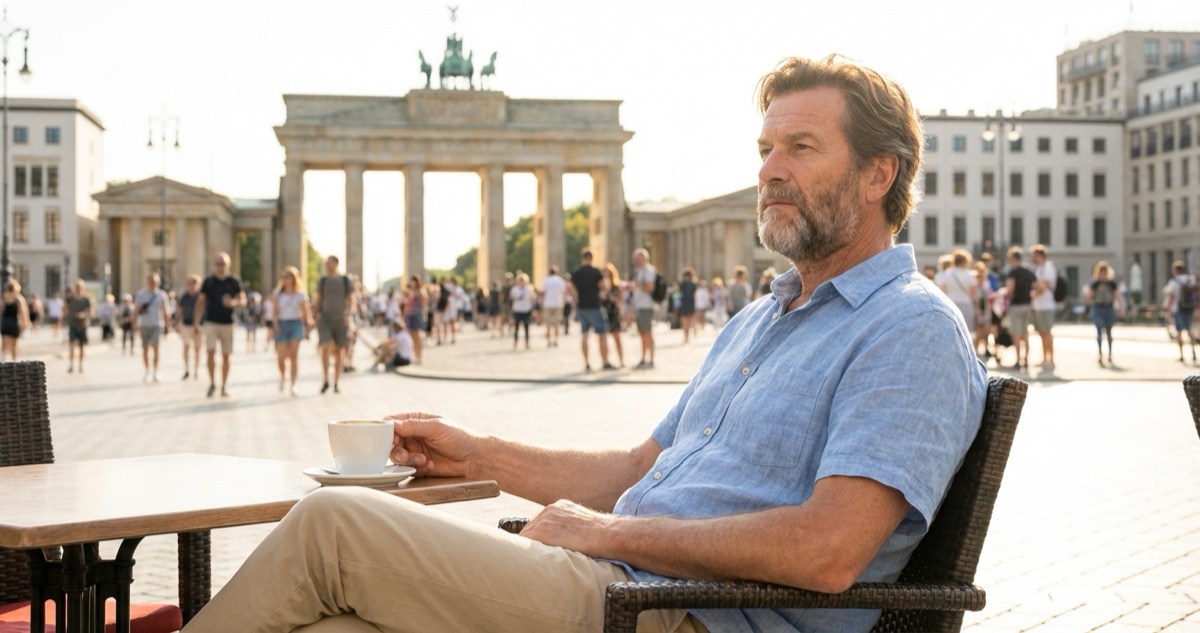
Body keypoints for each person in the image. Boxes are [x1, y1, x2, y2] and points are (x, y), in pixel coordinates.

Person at [183, 55, 986, 633]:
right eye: (764, 150)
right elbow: (635, 470)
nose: (770, 170)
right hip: (618, 584)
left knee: (333, 527)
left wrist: (607, 533)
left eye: (800, 148)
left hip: (678, 613)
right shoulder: (762, 318)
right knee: (332, 625)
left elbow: (828, 550)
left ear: (879, 174)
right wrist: (475, 454)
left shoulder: (907, 327)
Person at [195, 252, 246, 398]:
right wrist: (196, 322)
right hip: (211, 321)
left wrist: (233, 303)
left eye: (223, 263)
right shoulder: (209, 281)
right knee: (210, 351)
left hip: (227, 322)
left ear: (228, 264)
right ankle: (212, 383)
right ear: (214, 264)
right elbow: (200, 302)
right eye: (218, 263)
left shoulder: (234, 281)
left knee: (226, 356)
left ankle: (224, 385)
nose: (220, 266)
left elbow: (243, 300)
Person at [313, 255, 356, 394]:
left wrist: (349, 314)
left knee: (340, 350)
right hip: (325, 318)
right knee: (324, 346)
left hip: (341, 318)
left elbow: (352, 298)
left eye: (329, 263)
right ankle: (326, 378)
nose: (327, 265)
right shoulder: (323, 280)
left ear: (336, 264)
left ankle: (337, 380)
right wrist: (315, 316)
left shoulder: (345, 280)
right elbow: (318, 299)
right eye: (326, 263)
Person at [269, 266, 312, 396]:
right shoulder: (277, 294)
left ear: (294, 278)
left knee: (294, 356)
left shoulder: (300, 294)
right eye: (284, 277)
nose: (286, 279)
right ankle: (283, 377)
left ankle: (293, 384)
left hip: (295, 323)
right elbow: (274, 311)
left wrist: (307, 327)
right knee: (281, 356)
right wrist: (275, 325)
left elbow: (306, 312)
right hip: (281, 323)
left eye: (289, 277)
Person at [570, 249, 612, 372]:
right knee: (602, 334)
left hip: (582, 307)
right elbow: (604, 286)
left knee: (584, 335)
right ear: (592, 258)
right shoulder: (596, 271)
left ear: (582, 258)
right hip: (595, 306)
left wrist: (576, 300)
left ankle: (587, 363)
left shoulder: (576, 272)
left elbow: (571, 289)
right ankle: (605, 362)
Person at [134, 273, 171, 382]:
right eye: (150, 281)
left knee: (156, 348)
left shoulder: (161, 295)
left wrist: (168, 325)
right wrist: (134, 323)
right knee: (145, 349)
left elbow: (166, 310)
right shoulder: (141, 294)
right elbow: (136, 309)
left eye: (154, 281)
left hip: (157, 324)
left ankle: (155, 371)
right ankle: (147, 371)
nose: (152, 283)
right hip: (144, 324)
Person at [1004, 247, 1036, 371]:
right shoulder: (1029, 271)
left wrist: (1005, 296)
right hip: (1027, 305)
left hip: (1016, 305)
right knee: (1025, 334)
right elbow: (1037, 285)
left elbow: (1009, 290)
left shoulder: (1013, 272)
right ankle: (1026, 360)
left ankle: (1018, 361)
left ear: (1013, 258)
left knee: (1016, 334)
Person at [1087, 260, 1121, 366]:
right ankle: (1100, 354)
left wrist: (1120, 308)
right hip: (1098, 308)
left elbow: (1117, 295)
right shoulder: (1095, 283)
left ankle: (1110, 354)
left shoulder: (1111, 283)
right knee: (1099, 331)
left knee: (1109, 332)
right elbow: (1089, 295)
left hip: (1108, 308)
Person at [1029, 244, 1057, 370]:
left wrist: (1031, 295)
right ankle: (1045, 358)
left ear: (1040, 256)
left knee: (1047, 332)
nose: (1032, 258)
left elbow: (1043, 286)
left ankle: (1050, 359)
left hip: (1046, 305)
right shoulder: (1039, 269)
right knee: (1041, 333)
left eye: (1034, 256)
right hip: (1038, 305)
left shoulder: (1048, 268)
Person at [1167, 260, 1198, 363]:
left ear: (1175, 271)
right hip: (1189, 308)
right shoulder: (1190, 279)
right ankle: (1193, 352)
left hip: (1178, 309)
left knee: (1179, 331)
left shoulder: (1174, 281)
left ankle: (1181, 355)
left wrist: (1168, 311)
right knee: (1189, 330)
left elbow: (1171, 298)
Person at [938, 249, 977, 329]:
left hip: (951, 303)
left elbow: (942, 289)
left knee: (953, 327)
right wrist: (976, 305)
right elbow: (973, 293)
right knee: (967, 328)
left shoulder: (948, 273)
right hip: (966, 303)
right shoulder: (969, 274)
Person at [631, 247, 657, 369]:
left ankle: (651, 359)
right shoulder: (640, 270)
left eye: (638, 259)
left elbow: (650, 288)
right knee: (642, 333)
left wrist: (637, 285)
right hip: (640, 306)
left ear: (644, 258)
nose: (636, 261)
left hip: (646, 305)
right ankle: (643, 359)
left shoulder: (648, 270)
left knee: (648, 333)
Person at [176, 275, 203, 380]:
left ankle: (196, 369)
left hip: (198, 326)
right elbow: (180, 310)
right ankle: (187, 369)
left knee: (197, 348)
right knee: (186, 346)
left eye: (193, 284)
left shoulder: (200, 296)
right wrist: (178, 322)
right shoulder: (184, 297)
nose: (191, 286)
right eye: (190, 284)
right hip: (186, 325)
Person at [65, 279, 92, 374]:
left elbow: (90, 312)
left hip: (82, 325)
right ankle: (71, 365)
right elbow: (65, 309)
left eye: (80, 287)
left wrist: (83, 315)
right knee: (71, 345)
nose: (78, 289)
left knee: (81, 347)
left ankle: (80, 365)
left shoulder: (86, 300)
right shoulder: (70, 299)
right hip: (72, 324)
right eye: (77, 287)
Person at [602, 263, 626, 368]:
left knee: (617, 338)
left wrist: (613, 298)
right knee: (603, 338)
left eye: (608, 273)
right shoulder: (601, 286)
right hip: (604, 313)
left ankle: (621, 361)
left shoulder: (616, 286)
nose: (606, 275)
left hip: (614, 313)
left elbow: (620, 300)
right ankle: (605, 361)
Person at [1, 279, 30, 361]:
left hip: (5, 322)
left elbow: (1, 311)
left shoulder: (4, 298)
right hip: (14, 323)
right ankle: (13, 361)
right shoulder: (18, 298)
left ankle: (3, 361)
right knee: (14, 344)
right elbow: (23, 312)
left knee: (4, 344)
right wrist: (25, 323)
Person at [541, 266, 566, 348]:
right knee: (557, 323)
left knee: (548, 323)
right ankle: (556, 339)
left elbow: (543, 292)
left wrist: (542, 302)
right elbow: (563, 292)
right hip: (557, 303)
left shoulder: (546, 280)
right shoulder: (560, 280)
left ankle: (549, 340)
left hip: (547, 303)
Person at [403, 275, 426, 364]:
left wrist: (424, 315)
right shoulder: (412, 292)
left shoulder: (420, 291)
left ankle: (419, 356)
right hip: (411, 315)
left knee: (417, 337)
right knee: (412, 337)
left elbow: (424, 303)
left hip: (416, 315)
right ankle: (416, 355)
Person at [509, 272, 534, 350]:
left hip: (526, 309)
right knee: (516, 326)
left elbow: (532, 298)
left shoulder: (529, 289)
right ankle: (515, 341)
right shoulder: (515, 289)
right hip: (518, 309)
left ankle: (527, 342)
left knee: (526, 326)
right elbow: (511, 297)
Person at [677, 268, 697, 342]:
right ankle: (686, 335)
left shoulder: (690, 284)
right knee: (686, 320)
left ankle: (688, 334)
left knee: (689, 319)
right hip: (686, 303)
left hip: (688, 303)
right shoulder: (685, 284)